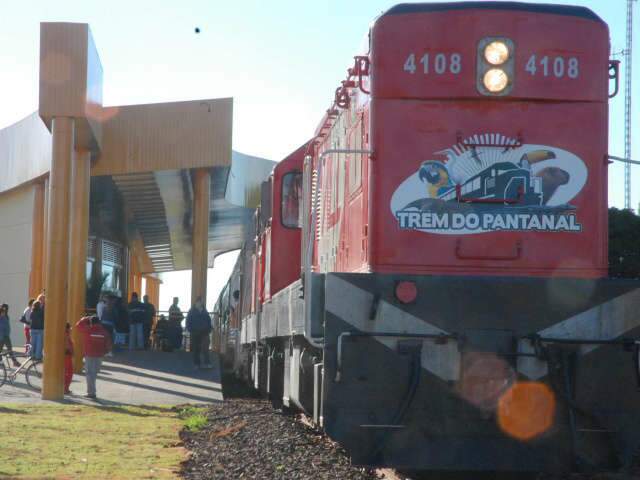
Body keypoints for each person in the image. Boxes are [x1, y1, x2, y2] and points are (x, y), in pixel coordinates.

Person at [75, 315, 112, 399]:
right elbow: (108, 344)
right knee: (94, 374)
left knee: (89, 374)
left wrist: (85, 318)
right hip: (99, 356)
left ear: (91, 323)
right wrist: (104, 352)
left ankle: (91, 393)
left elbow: (78, 325)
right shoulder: (104, 331)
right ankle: (92, 392)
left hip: (89, 354)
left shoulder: (87, 330)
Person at [186, 297, 212, 369]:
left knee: (205, 348)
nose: (200, 303)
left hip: (204, 332)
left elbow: (209, 321)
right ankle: (197, 364)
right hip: (195, 332)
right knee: (196, 349)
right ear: (196, 303)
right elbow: (188, 321)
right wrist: (190, 330)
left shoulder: (205, 311)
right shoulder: (191, 311)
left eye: (201, 302)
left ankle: (207, 363)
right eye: (199, 302)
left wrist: (209, 329)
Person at [64, 323, 74, 394]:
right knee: (68, 372)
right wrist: (72, 352)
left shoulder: (66, 334)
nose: (71, 329)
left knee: (67, 372)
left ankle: (65, 388)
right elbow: (67, 346)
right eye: (70, 328)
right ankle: (65, 388)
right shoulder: (66, 335)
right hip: (67, 355)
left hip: (66, 355)